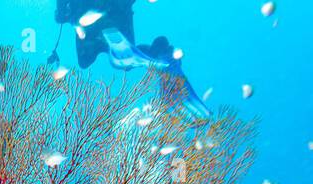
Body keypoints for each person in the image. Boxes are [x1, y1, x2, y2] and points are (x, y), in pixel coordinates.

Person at [53, 0, 210, 120]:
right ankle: (159, 50)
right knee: (86, 60)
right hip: (98, 17)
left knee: (110, 58)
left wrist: (62, 13)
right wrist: (62, 12)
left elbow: (61, 14)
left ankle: (158, 50)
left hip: (105, 14)